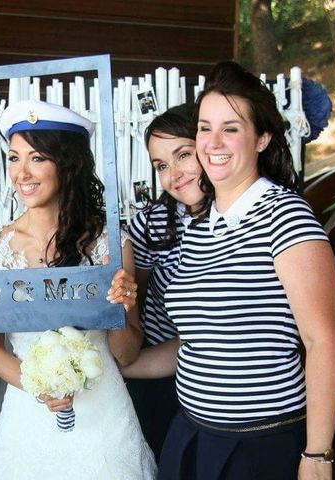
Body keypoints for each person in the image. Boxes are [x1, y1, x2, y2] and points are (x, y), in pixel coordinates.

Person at [155, 62, 335, 480]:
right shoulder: (199, 225)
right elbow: (200, 339)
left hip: (259, 444)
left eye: (231, 128)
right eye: (205, 128)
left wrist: (318, 455)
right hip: (190, 433)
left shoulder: (286, 216)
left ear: (262, 139)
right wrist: (123, 364)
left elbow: (322, 341)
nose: (213, 142)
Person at [0, 100, 157, 479]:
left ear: (67, 164)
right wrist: (39, 387)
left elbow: (125, 354)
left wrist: (119, 310)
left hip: (104, 421)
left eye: (37, 158)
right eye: (13, 157)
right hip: (28, 416)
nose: (20, 172)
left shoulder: (111, 244)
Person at [123, 104, 208, 462]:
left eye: (183, 155)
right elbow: (134, 299)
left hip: (221, 378)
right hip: (157, 373)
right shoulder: (151, 223)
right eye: (161, 165)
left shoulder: (240, 219)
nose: (173, 174)